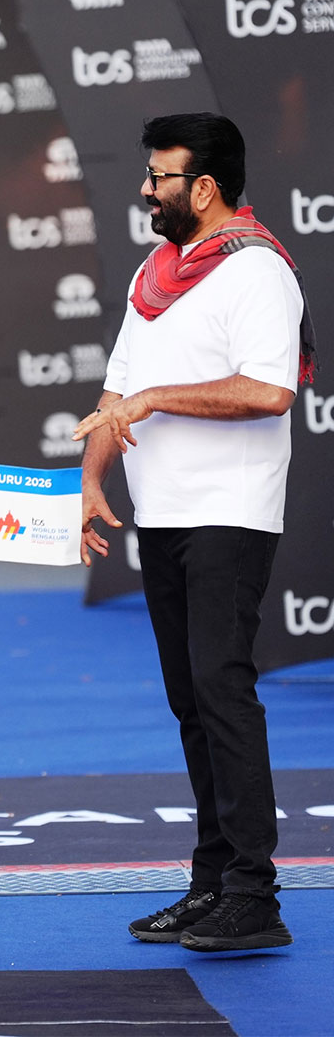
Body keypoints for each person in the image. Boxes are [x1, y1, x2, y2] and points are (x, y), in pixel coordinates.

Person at [76, 113, 314, 953]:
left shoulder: (256, 272)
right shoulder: (157, 270)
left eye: (159, 177)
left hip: (229, 514)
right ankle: (212, 883)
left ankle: (257, 894)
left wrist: (157, 399)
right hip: (164, 518)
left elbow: (268, 392)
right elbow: (118, 391)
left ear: (203, 188)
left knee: (221, 691)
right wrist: (93, 479)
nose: (145, 189)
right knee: (191, 703)